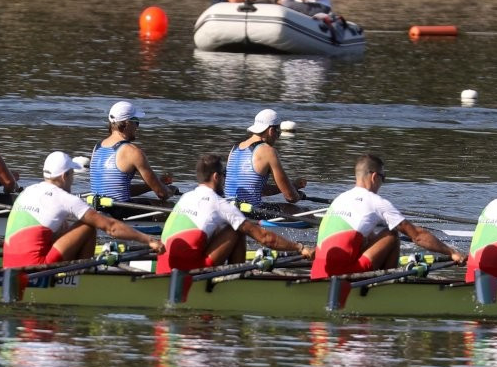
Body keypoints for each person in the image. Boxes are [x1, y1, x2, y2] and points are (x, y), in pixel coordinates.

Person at [310, 153, 465, 279]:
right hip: (342, 275)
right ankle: (390, 281)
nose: (382, 183)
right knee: (391, 234)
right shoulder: (377, 202)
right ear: (374, 177)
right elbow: (417, 236)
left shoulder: (340, 199)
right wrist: (452, 252)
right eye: (383, 178)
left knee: (369, 237)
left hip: (317, 271)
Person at [3, 151, 165, 268]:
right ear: (65, 176)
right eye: (72, 174)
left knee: (63, 226)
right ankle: (83, 273)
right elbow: (111, 227)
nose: (72, 179)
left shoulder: (27, 191)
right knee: (89, 224)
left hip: (8, 263)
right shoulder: (65, 198)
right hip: (36, 266)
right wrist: (149, 240)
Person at [157, 154, 314, 273]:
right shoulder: (220, 204)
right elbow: (265, 238)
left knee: (226, 226)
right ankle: (235, 276)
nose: (225, 178)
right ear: (216, 177)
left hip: (163, 265)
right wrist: (299, 247)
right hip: (189, 272)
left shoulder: (186, 197)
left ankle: (231, 270)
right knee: (238, 229)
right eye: (224, 174)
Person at [89, 100, 177, 204]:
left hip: (96, 207)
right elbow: (162, 194)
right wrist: (170, 190)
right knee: (173, 208)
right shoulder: (133, 152)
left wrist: (154, 184)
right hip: (118, 211)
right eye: (136, 121)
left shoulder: (97, 148)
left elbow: (118, 189)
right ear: (127, 123)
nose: (137, 126)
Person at [225, 108, 306, 207]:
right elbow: (290, 197)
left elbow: (258, 189)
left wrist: (293, 186)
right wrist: (298, 195)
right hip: (251, 213)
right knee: (301, 211)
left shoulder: (235, 148)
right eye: (278, 133)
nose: (278, 137)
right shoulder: (268, 151)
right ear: (271, 131)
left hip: (228, 209)